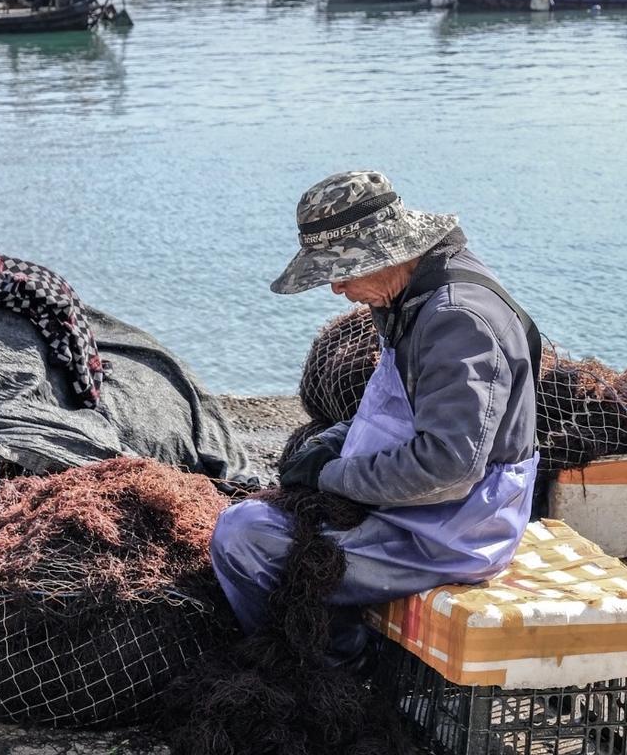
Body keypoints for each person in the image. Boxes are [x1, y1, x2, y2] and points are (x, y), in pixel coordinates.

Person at [210, 170, 539, 667]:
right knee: (261, 510)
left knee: (244, 537)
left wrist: (332, 476)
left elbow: (450, 468)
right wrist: (334, 441)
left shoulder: (456, 320)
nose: (337, 287)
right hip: (423, 508)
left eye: (343, 270)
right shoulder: (417, 295)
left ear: (388, 252)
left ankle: (335, 668)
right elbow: (401, 409)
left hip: (457, 527)